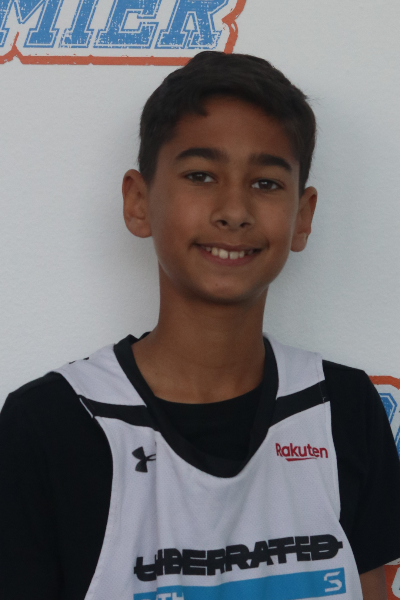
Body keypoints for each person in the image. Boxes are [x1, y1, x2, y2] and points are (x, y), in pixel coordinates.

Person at [1, 51, 400, 600]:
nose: (234, 210)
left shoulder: (344, 409)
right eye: (200, 175)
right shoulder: (48, 427)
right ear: (138, 202)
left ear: (302, 217)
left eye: (266, 183)